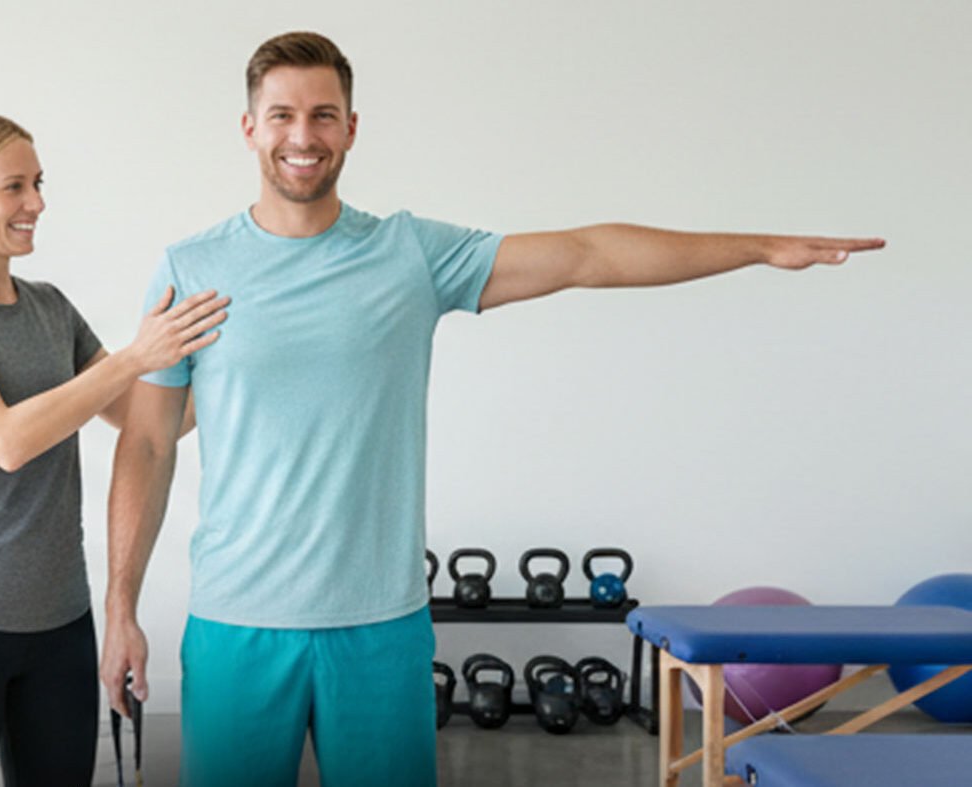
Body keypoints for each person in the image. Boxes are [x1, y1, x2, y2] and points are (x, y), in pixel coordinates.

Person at [98, 31, 885, 787]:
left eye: (323, 115)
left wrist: (757, 247)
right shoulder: (191, 267)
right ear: (249, 128)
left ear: (351, 128)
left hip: (380, 626)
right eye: (283, 115)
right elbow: (148, 446)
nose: (303, 135)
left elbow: (587, 254)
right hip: (238, 623)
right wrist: (122, 605)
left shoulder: (409, 254)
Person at [0, 110, 227, 786]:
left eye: (38, 183)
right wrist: (134, 355)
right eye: (14, 187)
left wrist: (236, 375)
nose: (36, 203)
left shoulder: (49, 307)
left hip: (61, 622)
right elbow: (5, 439)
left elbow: (143, 417)